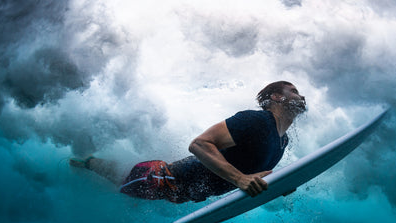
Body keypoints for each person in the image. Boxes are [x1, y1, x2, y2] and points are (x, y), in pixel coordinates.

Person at [70, 81, 306, 203]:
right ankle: (90, 163)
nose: (301, 96)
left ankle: (94, 164)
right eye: (294, 91)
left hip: (182, 195)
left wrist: (275, 186)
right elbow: (199, 144)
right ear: (276, 97)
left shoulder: (281, 141)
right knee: (119, 179)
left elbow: (252, 175)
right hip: (159, 179)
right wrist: (241, 179)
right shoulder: (257, 121)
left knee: (124, 186)